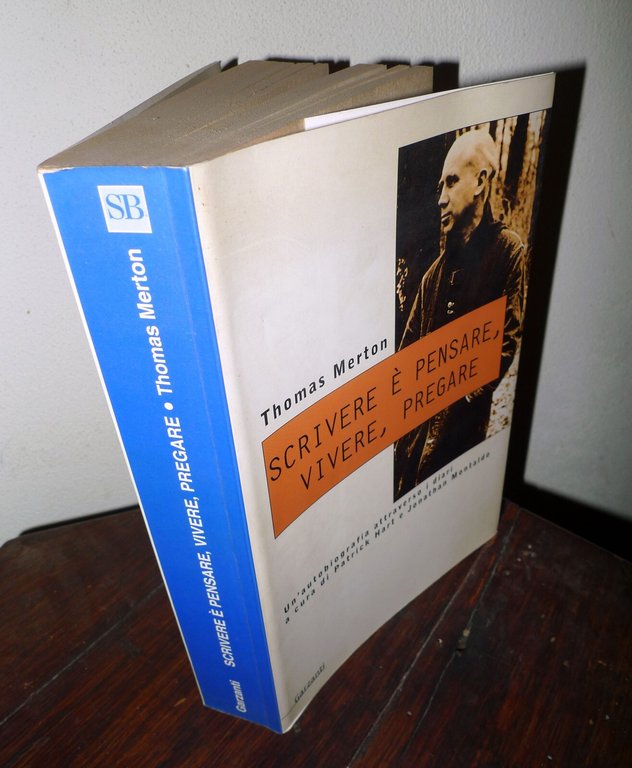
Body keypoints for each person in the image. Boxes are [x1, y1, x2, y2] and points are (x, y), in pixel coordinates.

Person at [395, 129, 526, 496]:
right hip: (413, 447)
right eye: (440, 187)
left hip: (462, 444)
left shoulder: (508, 253)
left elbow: (506, 342)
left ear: (480, 181)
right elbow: (405, 360)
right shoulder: (432, 277)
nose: (441, 199)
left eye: (451, 182)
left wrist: (459, 399)